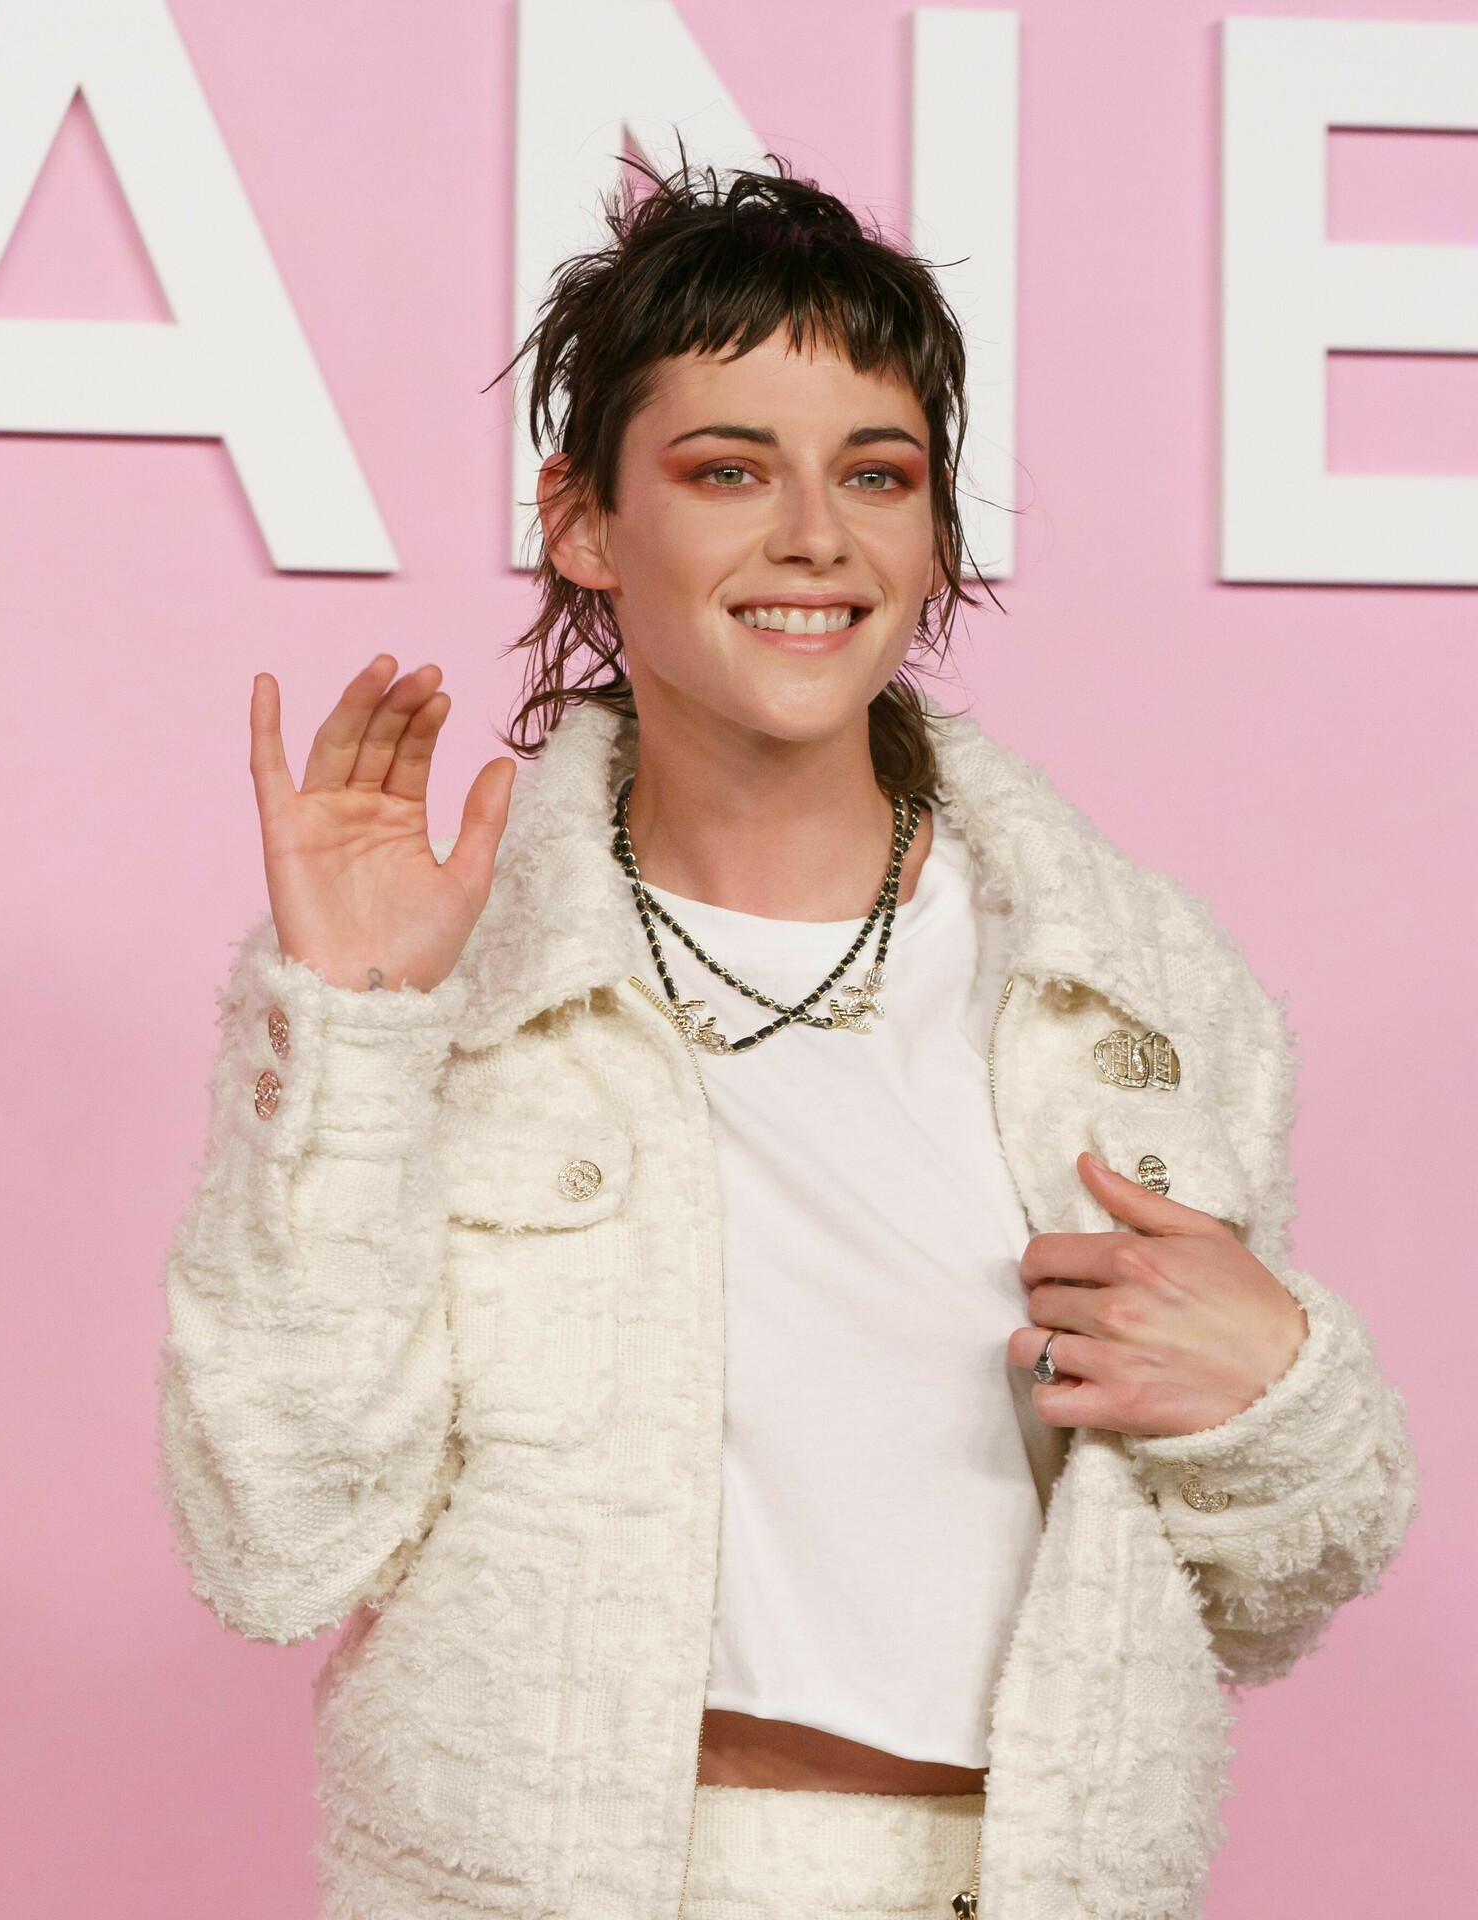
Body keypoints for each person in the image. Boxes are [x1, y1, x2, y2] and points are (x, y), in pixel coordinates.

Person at [157, 157, 1418, 1920]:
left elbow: (1272, 1598)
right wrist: (360, 1039)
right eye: (728, 468)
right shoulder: (437, 985)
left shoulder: (1137, 992)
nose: (816, 535)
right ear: (583, 522)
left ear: (936, 536)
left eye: (877, 474)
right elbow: (277, 1540)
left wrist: (1278, 1392)